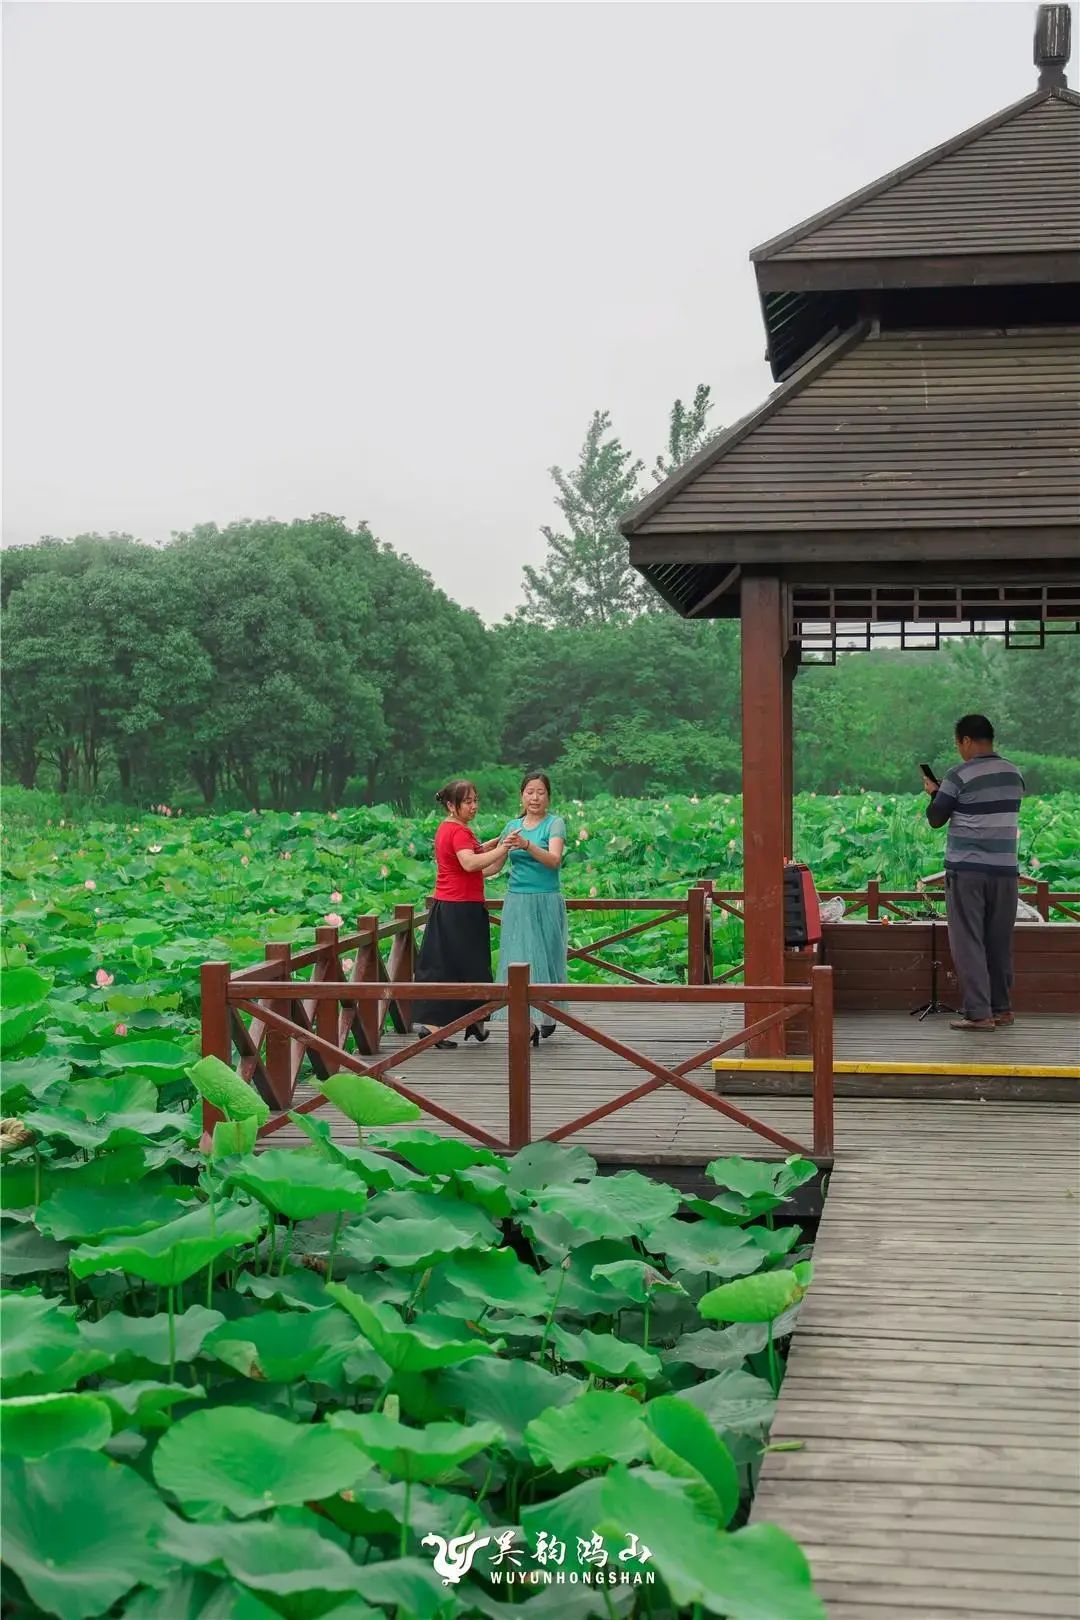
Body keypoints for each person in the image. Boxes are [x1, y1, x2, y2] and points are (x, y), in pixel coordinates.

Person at [923, 715, 1025, 1032]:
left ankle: (979, 1014)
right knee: (998, 940)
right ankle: (1002, 1008)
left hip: (967, 871)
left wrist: (934, 793)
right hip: (1006, 871)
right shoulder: (1014, 773)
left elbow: (936, 818)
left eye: (958, 744)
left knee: (968, 941)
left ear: (966, 741)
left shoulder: (959, 774)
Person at [412, 780, 510, 1048]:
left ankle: (474, 1023)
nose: (474, 806)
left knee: (457, 966)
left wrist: (499, 848)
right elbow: (469, 863)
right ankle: (436, 1027)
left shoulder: (448, 828)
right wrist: (501, 848)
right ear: (451, 805)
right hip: (461, 909)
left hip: (450, 906)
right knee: (464, 967)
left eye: (475, 800)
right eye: (467, 801)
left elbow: (484, 869)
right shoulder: (459, 832)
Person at [494, 772, 568, 1044]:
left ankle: (548, 1015)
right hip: (516, 900)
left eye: (540, 792)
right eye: (530, 792)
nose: (535, 797)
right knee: (517, 957)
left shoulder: (554, 824)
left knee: (547, 957)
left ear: (548, 797)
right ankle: (526, 1024)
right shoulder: (512, 825)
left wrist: (527, 844)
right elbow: (494, 864)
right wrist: (467, 864)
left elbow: (554, 860)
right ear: (521, 796)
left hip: (546, 898)